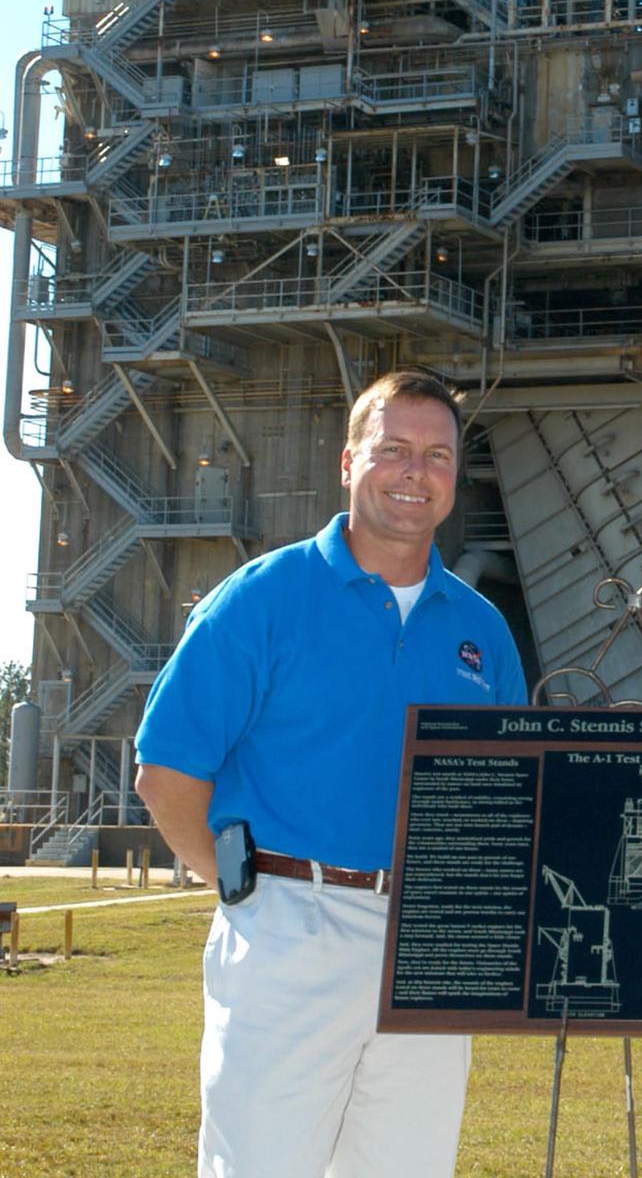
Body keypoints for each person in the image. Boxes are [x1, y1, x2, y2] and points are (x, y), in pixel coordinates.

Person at [135, 368, 527, 1178]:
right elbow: (166, 772)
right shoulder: (262, 598)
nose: (415, 472)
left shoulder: (482, 631)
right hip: (290, 922)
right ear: (348, 462)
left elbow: (510, 795)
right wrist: (246, 889)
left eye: (437, 455)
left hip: (430, 939)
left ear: (456, 475)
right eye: (393, 450)